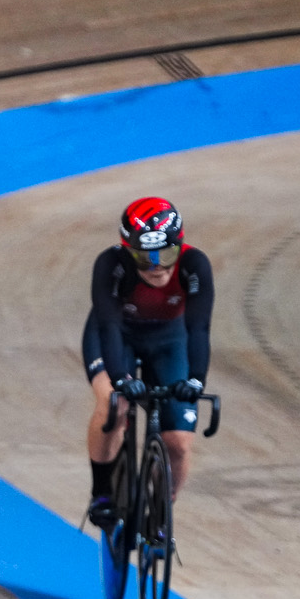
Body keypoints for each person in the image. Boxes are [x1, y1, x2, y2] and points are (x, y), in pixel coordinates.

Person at [83, 196, 214, 523]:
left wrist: (196, 379)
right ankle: (101, 493)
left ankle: (161, 509)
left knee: (180, 444)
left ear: (180, 246)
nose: (158, 267)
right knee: (115, 405)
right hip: (116, 335)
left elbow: (199, 328)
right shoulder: (110, 265)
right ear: (128, 250)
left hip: (170, 339)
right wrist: (122, 381)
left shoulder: (195, 265)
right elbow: (110, 327)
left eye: (166, 254)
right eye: (145, 258)